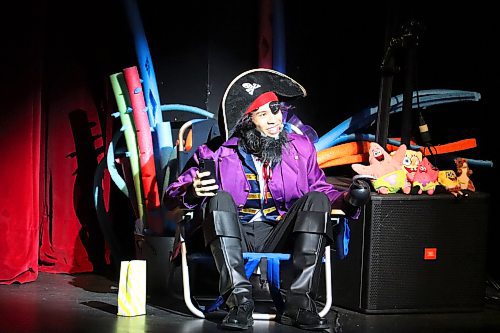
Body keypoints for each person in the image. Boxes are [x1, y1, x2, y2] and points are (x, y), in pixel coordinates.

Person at [164, 68, 370, 331]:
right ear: (247, 121)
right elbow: (172, 197)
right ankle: (239, 303)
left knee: (317, 200)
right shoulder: (215, 153)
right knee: (219, 200)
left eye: (276, 109)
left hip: (278, 230)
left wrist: (347, 199)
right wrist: (192, 191)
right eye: (263, 114)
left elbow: (320, 189)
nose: (275, 119)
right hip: (231, 232)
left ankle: (299, 304)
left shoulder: (300, 147)